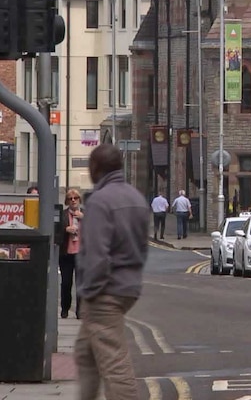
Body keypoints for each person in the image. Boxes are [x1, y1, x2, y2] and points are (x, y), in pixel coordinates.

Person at [74, 143, 150, 400]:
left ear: (96, 168)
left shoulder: (99, 201)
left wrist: (89, 291)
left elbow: (97, 254)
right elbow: (143, 247)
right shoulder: (136, 198)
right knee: (86, 354)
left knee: (115, 364)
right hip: (128, 287)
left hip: (104, 292)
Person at [59, 189, 84, 319]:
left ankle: (80, 311)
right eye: (70, 198)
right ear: (67, 201)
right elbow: (56, 231)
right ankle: (64, 308)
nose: (73, 200)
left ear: (79, 200)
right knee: (66, 283)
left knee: (81, 284)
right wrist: (65, 229)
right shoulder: (63, 215)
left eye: (76, 198)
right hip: (66, 254)